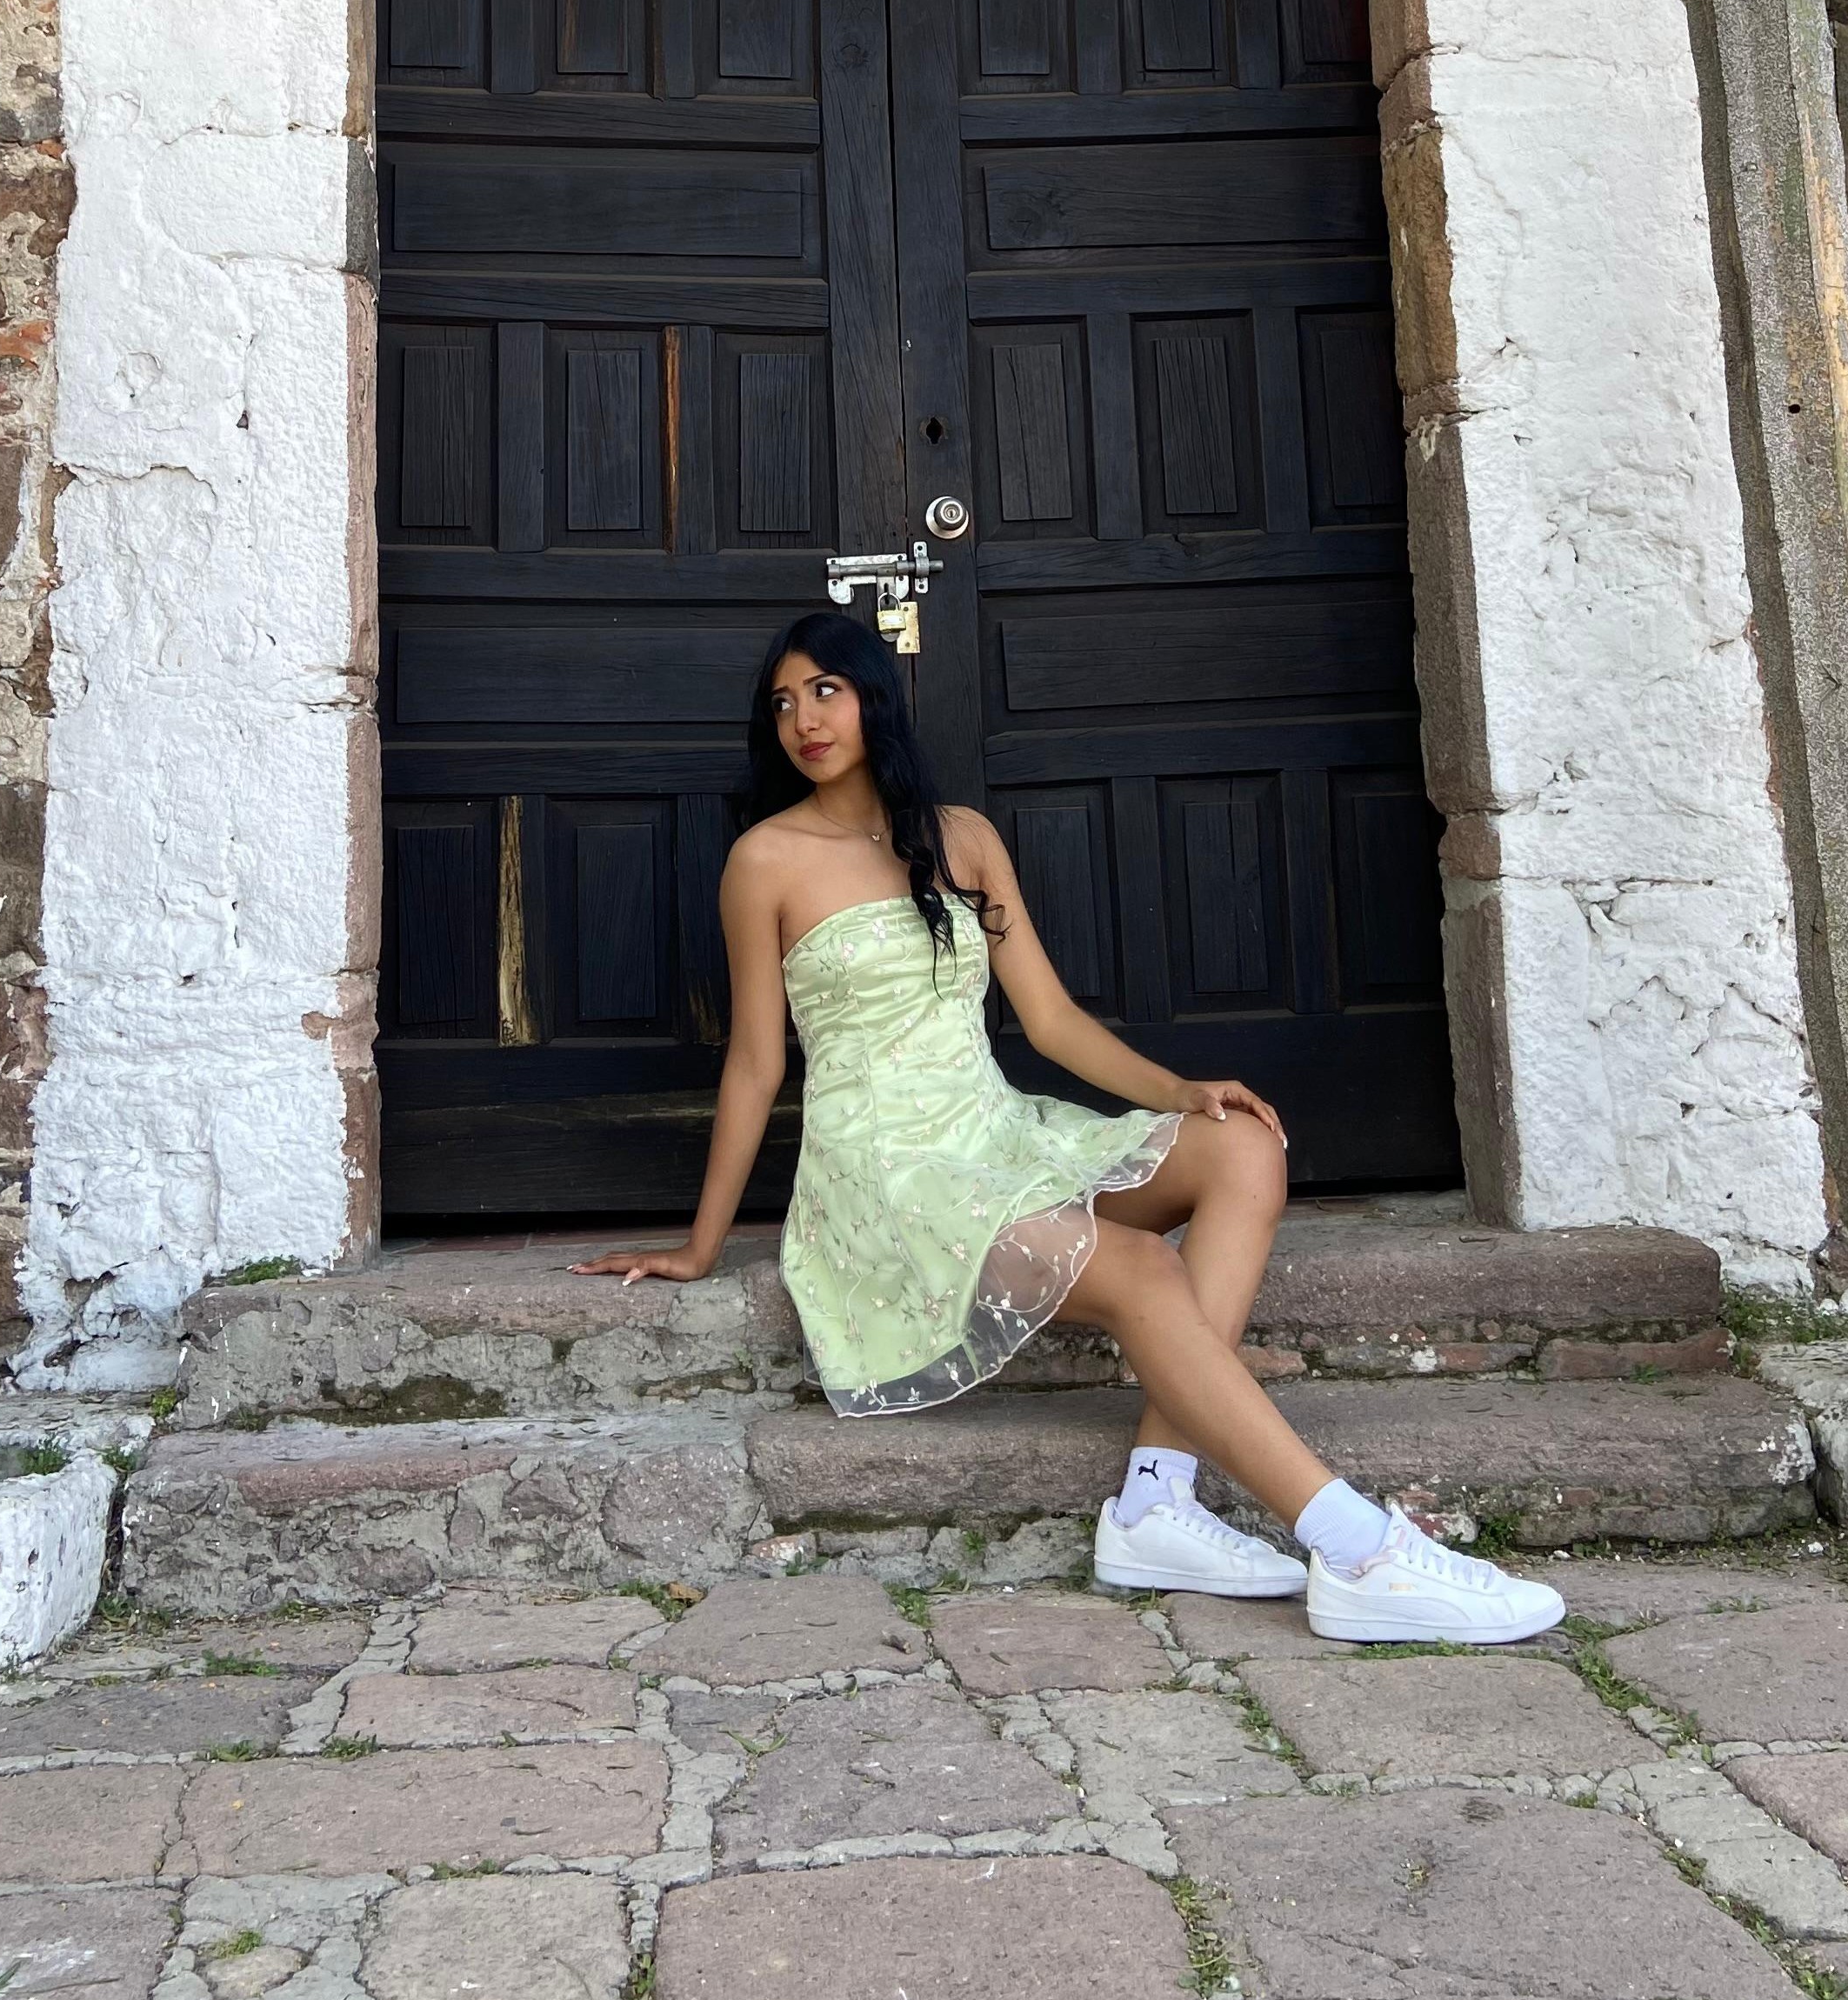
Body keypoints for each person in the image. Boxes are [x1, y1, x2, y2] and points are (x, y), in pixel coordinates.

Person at [576, 608, 1564, 1643]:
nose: (804, 720)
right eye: (783, 703)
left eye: (826, 690)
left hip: (997, 1136)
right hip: (890, 1176)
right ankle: (1358, 1547)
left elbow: (1047, 1019)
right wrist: (701, 1245)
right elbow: (755, 1062)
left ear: (876, 694)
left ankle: (1155, 1500)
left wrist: (1179, 1089)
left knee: (1242, 1142)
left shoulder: (961, 837)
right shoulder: (765, 859)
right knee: (1139, 1267)